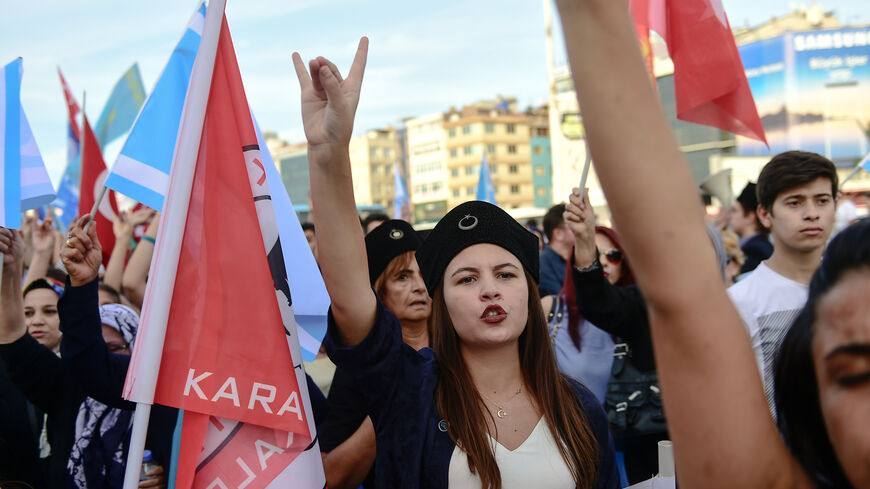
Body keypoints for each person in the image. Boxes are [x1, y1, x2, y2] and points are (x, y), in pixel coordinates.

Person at [555, 0, 866, 487]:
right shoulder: (738, 306)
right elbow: (673, 293)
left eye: (822, 200)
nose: (811, 213)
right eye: (854, 377)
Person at [292, 38, 617, 488]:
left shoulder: (580, 409)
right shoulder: (410, 390)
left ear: (528, 288)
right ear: (440, 298)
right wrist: (328, 154)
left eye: (505, 274)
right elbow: (350, 293)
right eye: (466, 278)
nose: (490, 289)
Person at [321, 219, 431, 489]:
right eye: (402, 277)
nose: (418, 286)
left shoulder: (460, 347)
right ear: (378, 290)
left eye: (423, 273)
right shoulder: (359, 370)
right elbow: (331, 477)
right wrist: (388, 407)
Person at [727, 152, 837, 413]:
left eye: (822, 200)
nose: (811, 214)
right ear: (765, 215)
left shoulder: (854, 289)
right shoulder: (740, 301)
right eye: (794, 203)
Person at [728, 182, 772, 274]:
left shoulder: (755, 251)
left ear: (750, 217)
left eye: (734, 211)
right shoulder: (758, 246)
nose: (729, 216)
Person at [538, 203, 575, 296]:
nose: (579, 229)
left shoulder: (575, 258)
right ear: (558, 234)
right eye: (573, 225)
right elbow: (561, 302)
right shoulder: (543, 263)